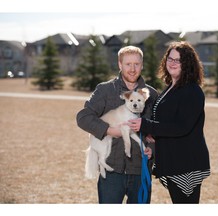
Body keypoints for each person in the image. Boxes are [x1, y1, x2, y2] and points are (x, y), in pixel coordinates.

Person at [128, 41, 210, 204]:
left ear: (187, 64)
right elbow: (167, 123)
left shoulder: (192, 91)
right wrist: (154, 139)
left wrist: (146, 125)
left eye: (178, 60)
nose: (172, 63)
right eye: (170, 59)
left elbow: (182, 127)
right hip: (174, 161)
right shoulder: (172, 87)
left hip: (186, 165)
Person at [76, 45, 158, 203]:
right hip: (112, 171)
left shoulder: (151, 94)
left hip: (140, 171)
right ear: (120, 65)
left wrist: (152, 150)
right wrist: (109, 130)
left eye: (136, 64)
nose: (132, 69)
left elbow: (158, 130)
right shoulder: (105, 90)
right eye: (128, 64)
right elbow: (83, 117)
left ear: (142, 65)